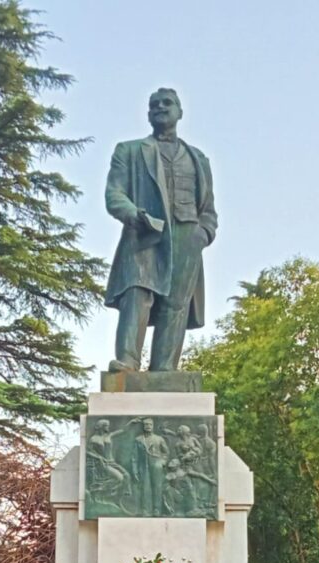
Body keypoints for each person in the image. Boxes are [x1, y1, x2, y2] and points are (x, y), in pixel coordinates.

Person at [104, 88, 217, 372]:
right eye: (154, 104)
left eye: (167, 103)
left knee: (176, 303)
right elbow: (114, 194)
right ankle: (128, 360)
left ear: (180, 112)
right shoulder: (128, 150)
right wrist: (133, 215)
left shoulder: (199, 159)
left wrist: (203, 233)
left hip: (188, 235)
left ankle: (164, 369)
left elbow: (208, 209)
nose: (160, 107)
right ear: (148, 114)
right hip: (144, 233)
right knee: (137, 293)